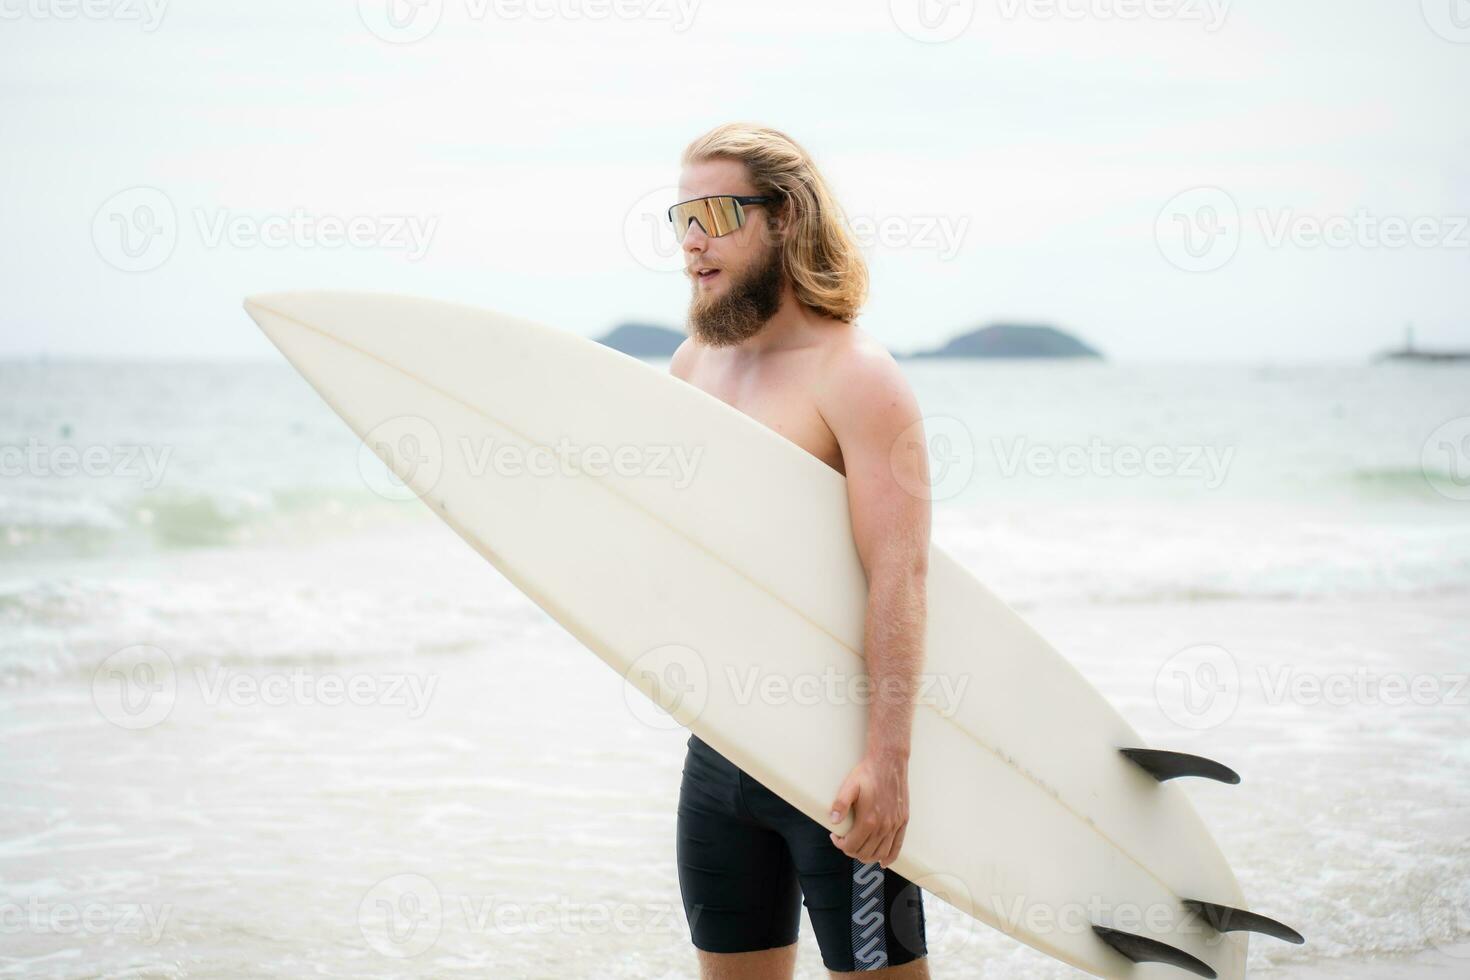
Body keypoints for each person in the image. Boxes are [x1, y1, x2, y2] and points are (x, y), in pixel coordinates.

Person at [667, 123, 933, 978]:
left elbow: (899, 574)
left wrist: (888, 760)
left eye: (713, 211)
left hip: (837, 769)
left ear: (783, 218)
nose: (692, 238)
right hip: (720, 761)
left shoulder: (857, 377)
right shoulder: (692, 366)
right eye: (680, 217)